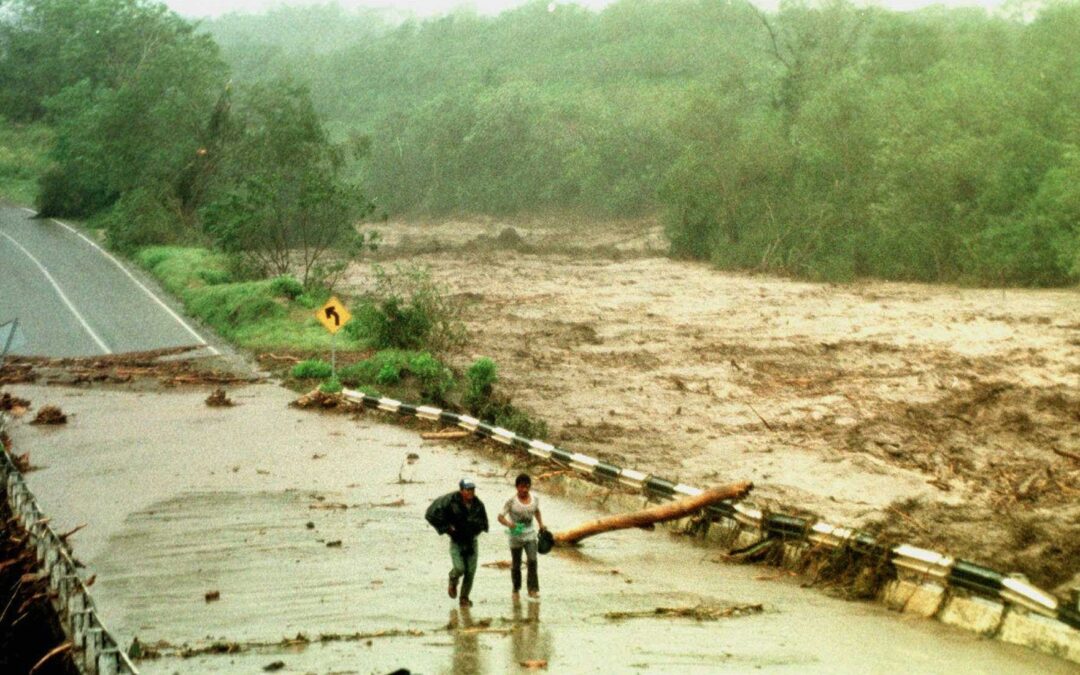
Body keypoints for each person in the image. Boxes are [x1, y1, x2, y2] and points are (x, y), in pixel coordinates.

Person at [425, 477, 489, 606]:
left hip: (471, 541)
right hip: (456, 540)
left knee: (470, 572)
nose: (470, 492)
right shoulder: (450, 501)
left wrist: (475, 531)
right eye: (467, 489)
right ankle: (453, 579)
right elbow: (431, 514)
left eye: (472, 489)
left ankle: (464, 598)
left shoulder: (478, 504)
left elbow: (484, 523)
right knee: (459, 568)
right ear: (461, 490)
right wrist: (446, 528)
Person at [497, 473, 545, 600]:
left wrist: (541, 524)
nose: (524, 490)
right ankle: (516, 589)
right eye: (522, 487)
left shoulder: (535, 499)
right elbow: (500, 517)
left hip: (530, 533)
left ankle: (533, 589)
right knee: (516, 564)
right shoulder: (511, 501)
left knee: (533, 561)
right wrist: (509, 524)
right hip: (516, 533)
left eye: (527, 487)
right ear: (517, 487)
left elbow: (537, 511)